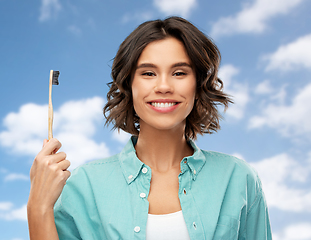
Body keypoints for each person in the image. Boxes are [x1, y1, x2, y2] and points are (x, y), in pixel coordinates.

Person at [27, 16, 272, 240]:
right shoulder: (83, 186)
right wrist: (37, 207)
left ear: (198, 84)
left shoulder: (239, 179)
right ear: (129, 85)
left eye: (179, 72)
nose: (163, 86)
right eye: (148, 73)